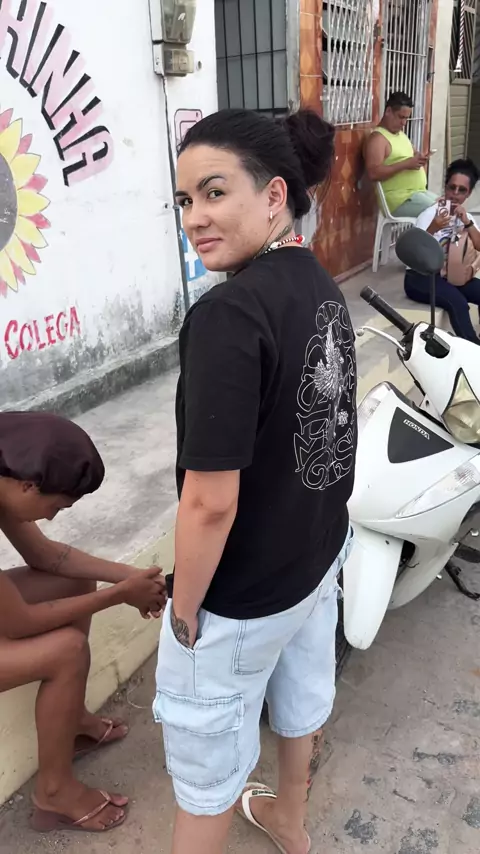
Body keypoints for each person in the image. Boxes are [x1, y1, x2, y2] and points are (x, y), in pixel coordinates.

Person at [153, 107, 357, 854]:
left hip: (242, 598)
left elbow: (209, 502)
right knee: (302, 700)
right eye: (184, 200)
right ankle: (289, 822)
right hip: (314, 560)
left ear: (274, 196)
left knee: (205, 780)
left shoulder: (229, 315)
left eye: (214, 192)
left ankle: (277, 819)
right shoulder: (319, 280)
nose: (195, 218)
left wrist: (184, 613)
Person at [0, 411, 166, 833]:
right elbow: (19, 623)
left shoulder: (6, 477)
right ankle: (53, 795)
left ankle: (70, 721)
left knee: (76, 581)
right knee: (67, 653)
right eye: (55, 506)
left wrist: (130, 577)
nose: (51, 518)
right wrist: (120, 595)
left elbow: (47, 557)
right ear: (28, 485)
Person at [405, 158, 480, 344]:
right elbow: (413, 252)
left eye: (461, 190)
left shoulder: (466, 217)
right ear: (445, 187)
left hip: (451, 277)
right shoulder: (429, 214)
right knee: (458, 303)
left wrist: (467, 223)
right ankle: (473, 350)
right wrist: (433, 228)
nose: (455, 194)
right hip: (420, 278)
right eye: (451, 188)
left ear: (469, 193)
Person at [364, 91, 437, 217]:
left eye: (406, 118)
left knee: (450, 208)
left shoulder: (400, 135)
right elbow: (373, 173)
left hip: (416, 193)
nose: (404, 123)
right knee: (441, 213)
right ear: (388, 111)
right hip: (398, 199)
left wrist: (420, 159)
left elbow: (414, 154)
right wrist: (406, 164)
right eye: (401, 117)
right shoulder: (378, 139)